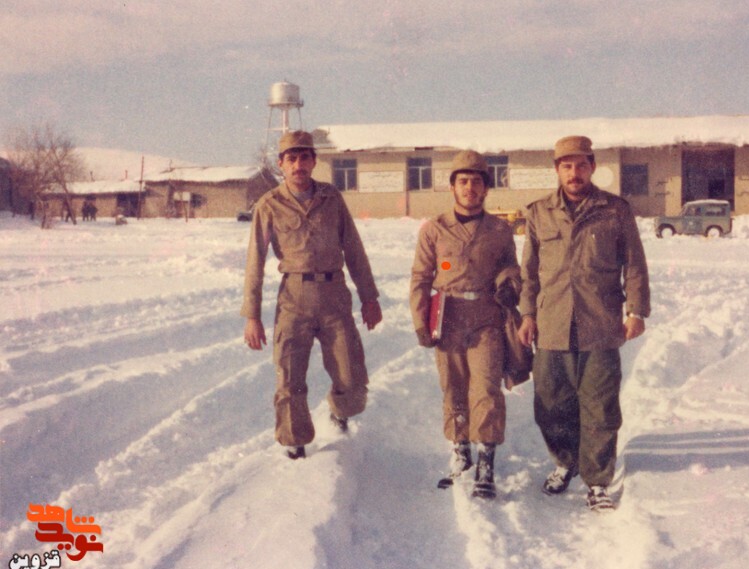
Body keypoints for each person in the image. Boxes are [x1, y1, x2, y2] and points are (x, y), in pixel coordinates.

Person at [517, 135, 650, 512]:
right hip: (552, 322)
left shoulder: (615, 210)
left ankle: (598, 480)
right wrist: (527, 314)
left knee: (600, 406)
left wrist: (636, 310)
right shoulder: (539, 212)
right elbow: (529, 272)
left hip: (600, 322)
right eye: (566, 166)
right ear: (557, 170)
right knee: (550, 403)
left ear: (592, 167)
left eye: (580, 165)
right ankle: (566, 461)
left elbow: (634, 264)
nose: (573, 173)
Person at [241, 130, 383, 460]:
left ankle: (339, 412)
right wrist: (252, 316)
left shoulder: (332, 198)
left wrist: (369, 297)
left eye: (304, 157)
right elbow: (254, 262)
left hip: (334, 296)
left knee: (351, 378)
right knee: (290, 376)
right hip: (294, 297)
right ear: (281, 164)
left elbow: (354, 249)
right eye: (291, 159)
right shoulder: (269, 205)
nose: (298, 165)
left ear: (314, 161)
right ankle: (295, 444)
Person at [410, 150, 521, 499]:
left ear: (486, 188)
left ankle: (486, 460)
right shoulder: (434, 230)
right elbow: (421, 277)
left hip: (486, 318)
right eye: (463, 181)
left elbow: (510, 267)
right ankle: (461, 454)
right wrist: (420, 321)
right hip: (448, 318)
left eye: (476, 182)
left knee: (486, 389)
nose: (469, 188)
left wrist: (508, 283)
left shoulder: (499, 230)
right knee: (453, 388)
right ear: (452, 187)